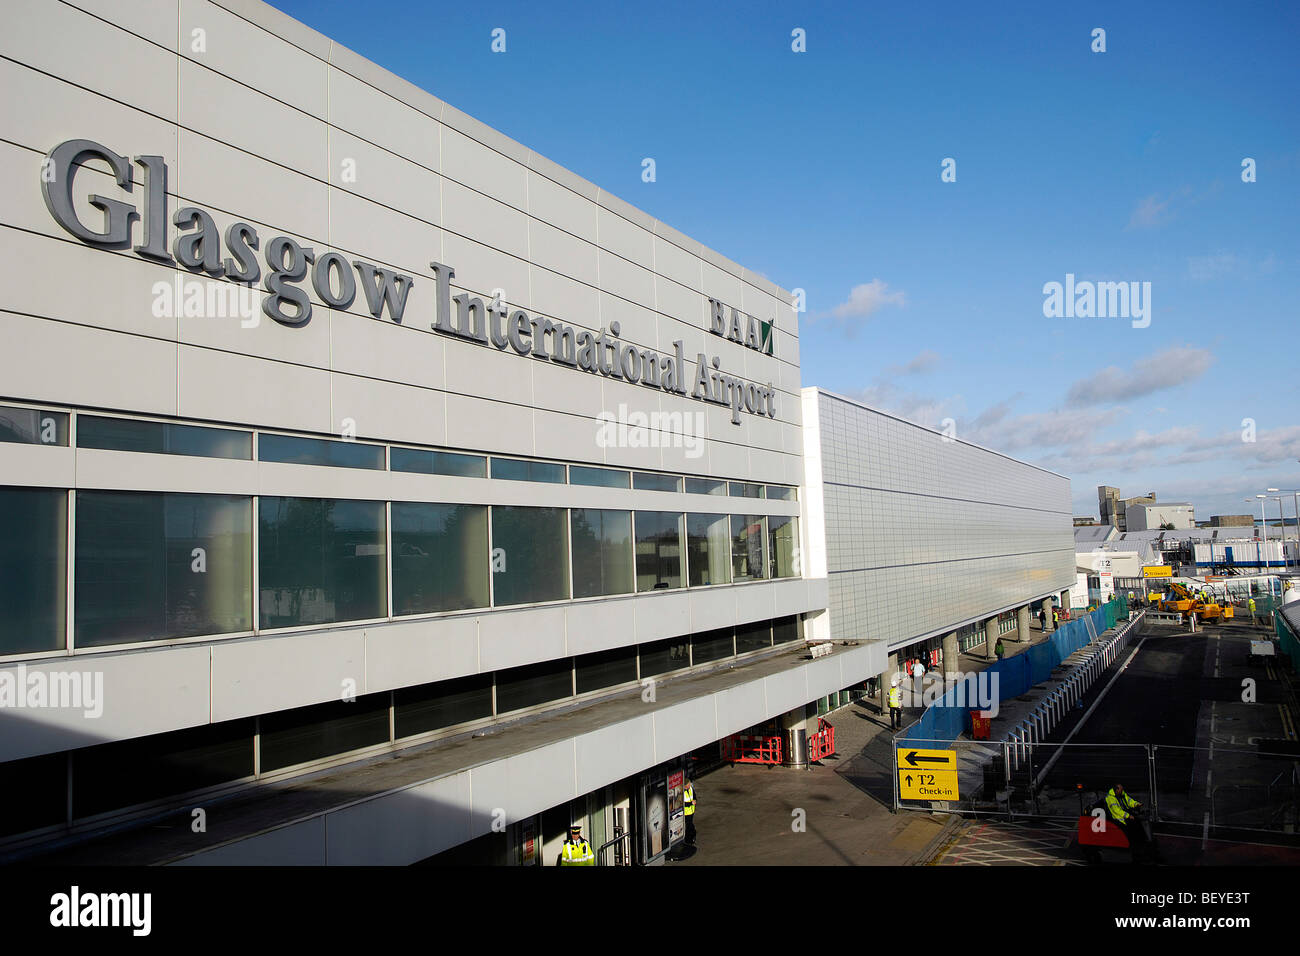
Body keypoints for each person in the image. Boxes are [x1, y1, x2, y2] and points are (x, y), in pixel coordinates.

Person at [1104, 782, 1151, 861]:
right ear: (1116, 790)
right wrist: (1128, 816)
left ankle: (1142, 844)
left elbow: (1129, 801)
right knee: (1132, 829)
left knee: (1138, 823)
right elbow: (1116, 811)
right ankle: (1135, 850)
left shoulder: (1122, 794)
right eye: (1121, 790)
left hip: (1126, 815)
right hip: (1119, 818)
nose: (1122, 791)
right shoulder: (1110, 798)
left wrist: (1137, 804)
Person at [683, 779, 697, 846]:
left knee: (689, 825)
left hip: (691, 811)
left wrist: (695, 800)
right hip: (686, 813)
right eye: (688, 784)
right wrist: (691, 803)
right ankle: (690, 838)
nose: (690, 784)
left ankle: (690, 838)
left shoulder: (691, 788)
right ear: (685, 785)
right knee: (689, 825)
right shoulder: (682, 792)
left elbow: (694, 796)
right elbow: (682, 804)